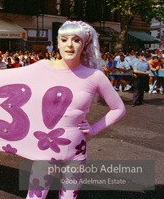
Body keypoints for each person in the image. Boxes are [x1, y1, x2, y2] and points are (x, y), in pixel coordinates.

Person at [26, 20, 125, 199]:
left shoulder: (95, 76)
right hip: (45, 148)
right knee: (35, 196)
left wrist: (94, 128)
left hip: (76, 151)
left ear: (84, 44)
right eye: (64, 39)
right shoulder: (41, 68)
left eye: (76, 40)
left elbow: (118, 108)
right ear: (57, 43)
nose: (69, 44)